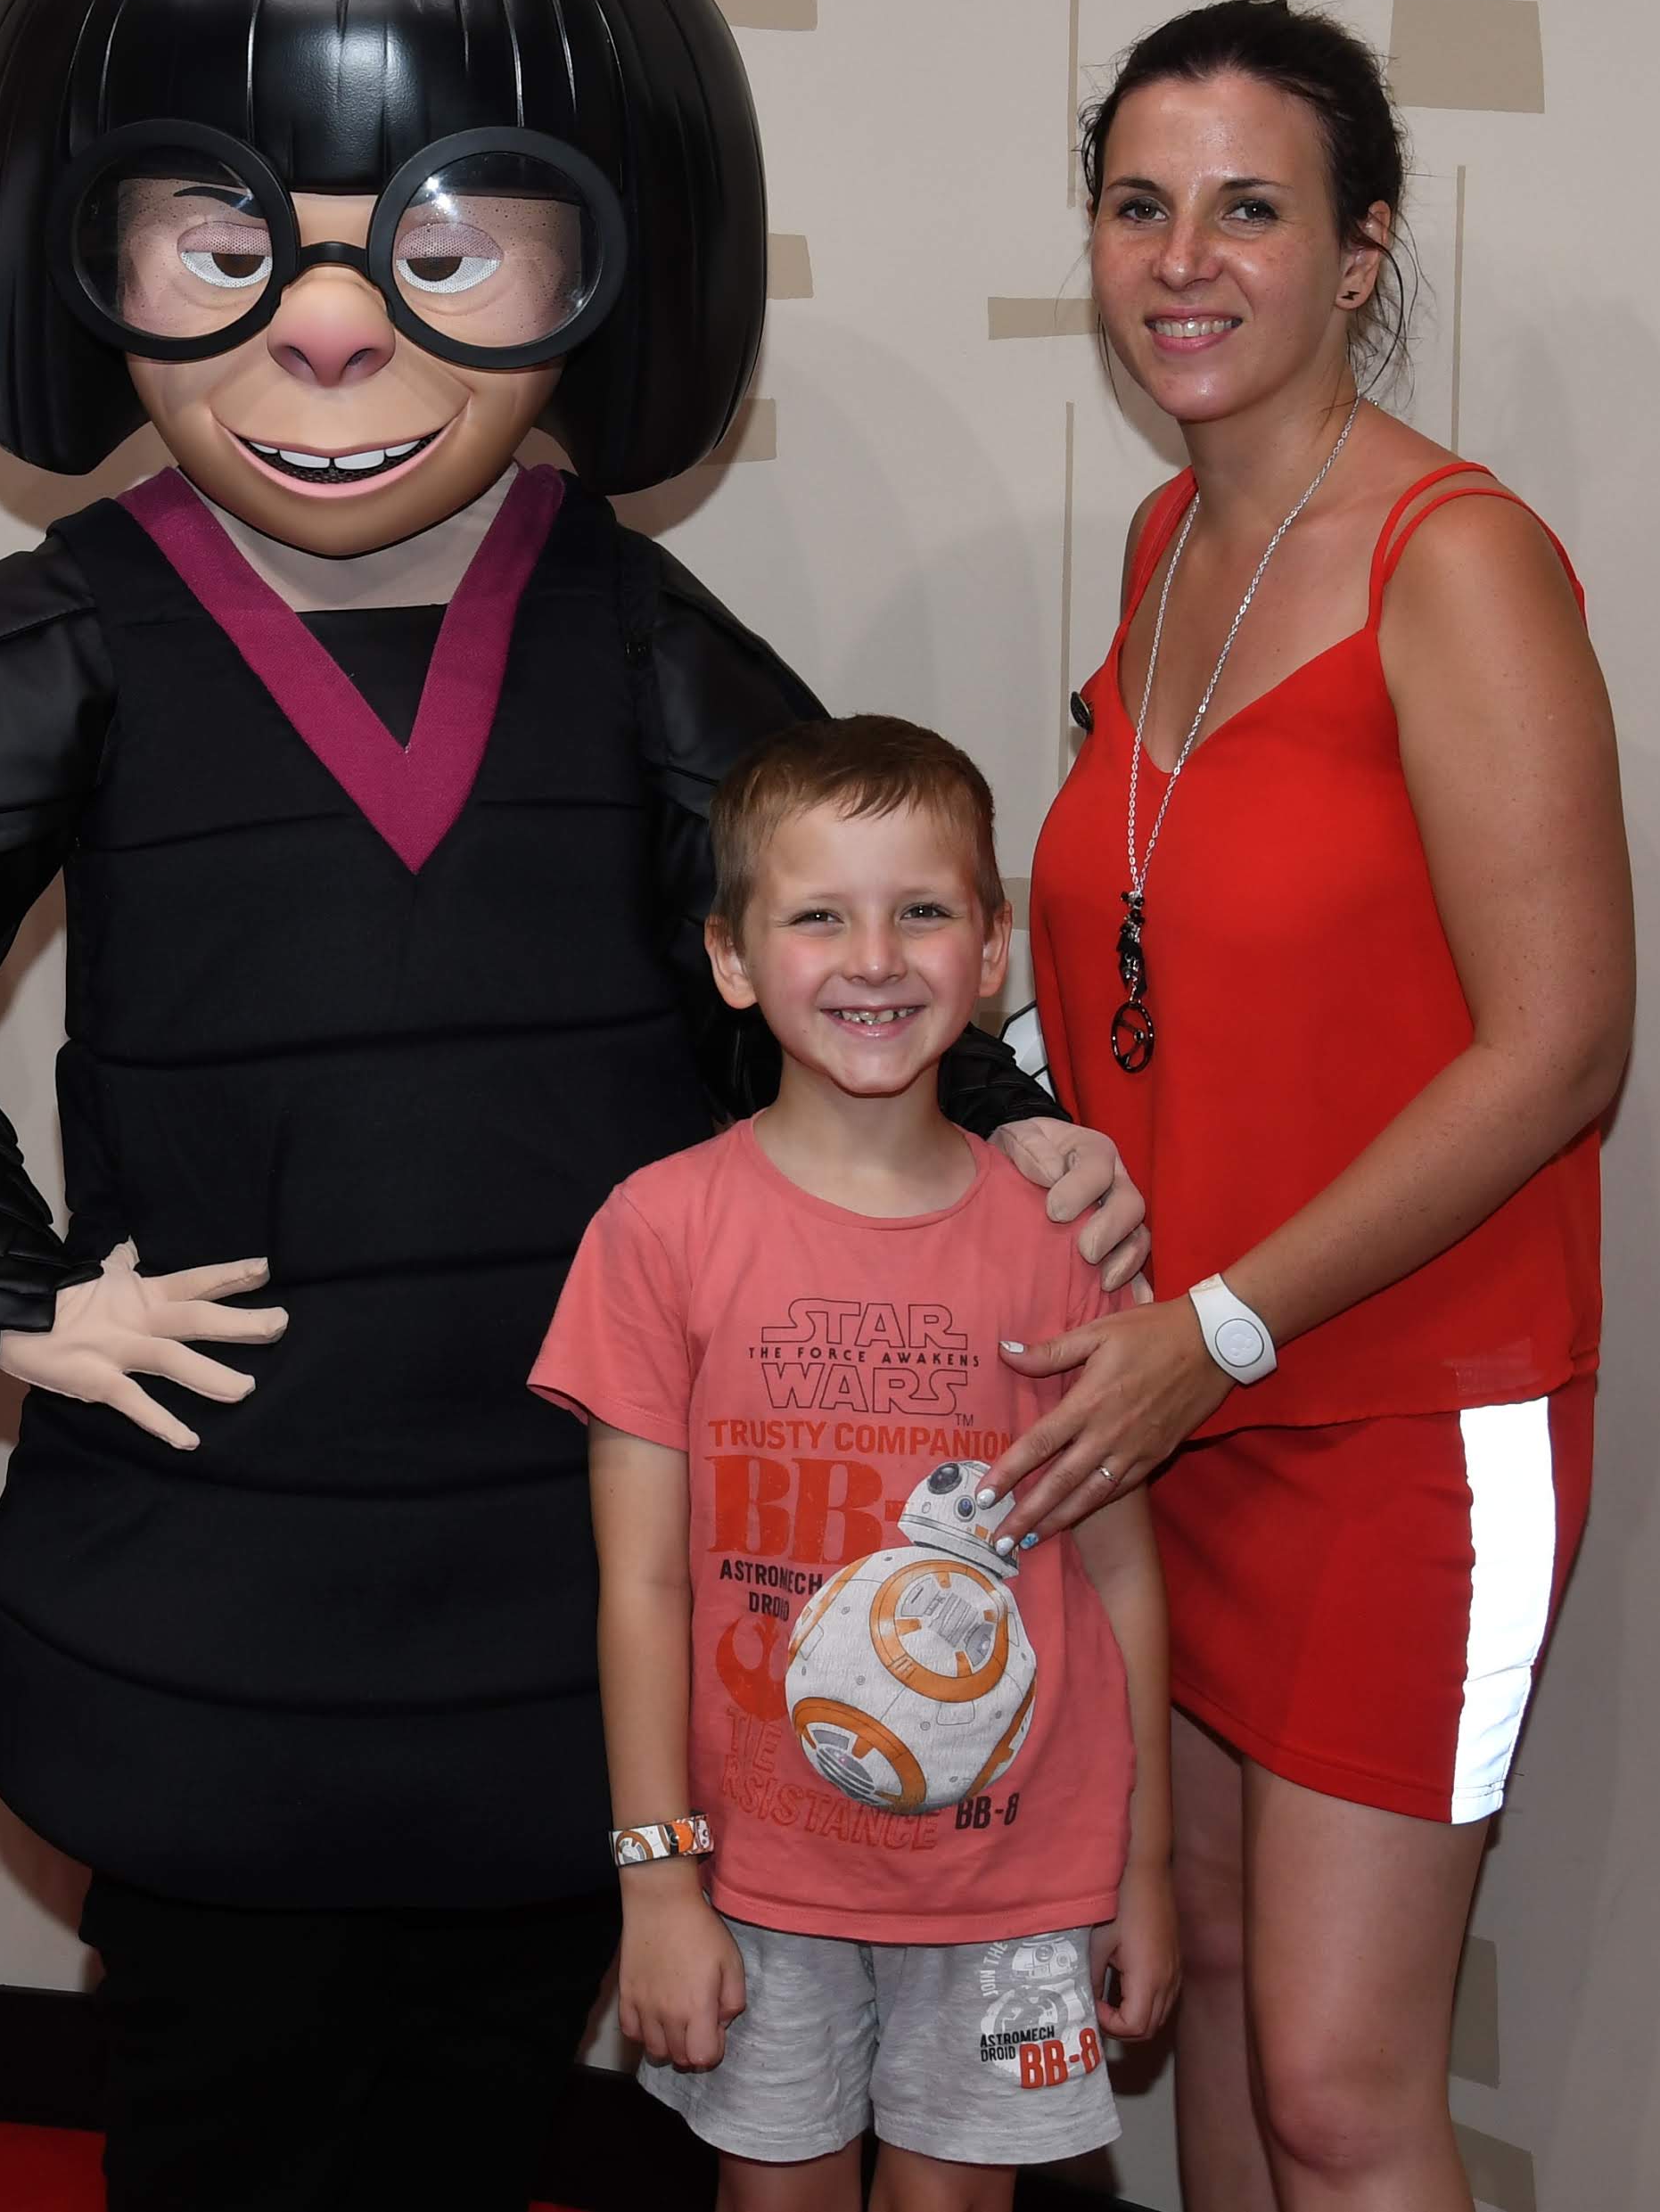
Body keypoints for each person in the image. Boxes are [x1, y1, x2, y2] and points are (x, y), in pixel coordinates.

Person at [0, 0, 1147, 2212]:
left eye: (446, 249)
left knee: (489, 2113)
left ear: (602, 270)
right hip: (205, 1590)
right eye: (224, 243)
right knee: (222, 2117)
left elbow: (822, 919)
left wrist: (1001, 1116)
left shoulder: (635, 635)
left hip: (558, 1581)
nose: (324, 331)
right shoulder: (60, 636)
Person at [981, 0, 1631, 2212]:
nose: (1182, 260)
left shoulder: (1456, 558)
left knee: (1344, 2093)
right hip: (1173, 1406)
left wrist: (1225, 1324)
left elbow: (1561, 1044)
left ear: (1358, 254)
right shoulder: (1172, 540)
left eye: (1248, 208)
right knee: (1224, 1976)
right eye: (1137, 205)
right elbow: (1167, 968)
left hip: (1399, 1423)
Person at [532, 717, 1179, 2212]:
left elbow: (1122, 1576)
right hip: (757, 1874)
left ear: (991, 947)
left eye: (923, 910)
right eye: (818, 915)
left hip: (1014, 1875)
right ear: (731, 956)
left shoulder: (1067, 1245)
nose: (873, 958)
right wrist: (655, 1877)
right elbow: (638, 1587)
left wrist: (1141, 1869)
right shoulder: (657, 1229)